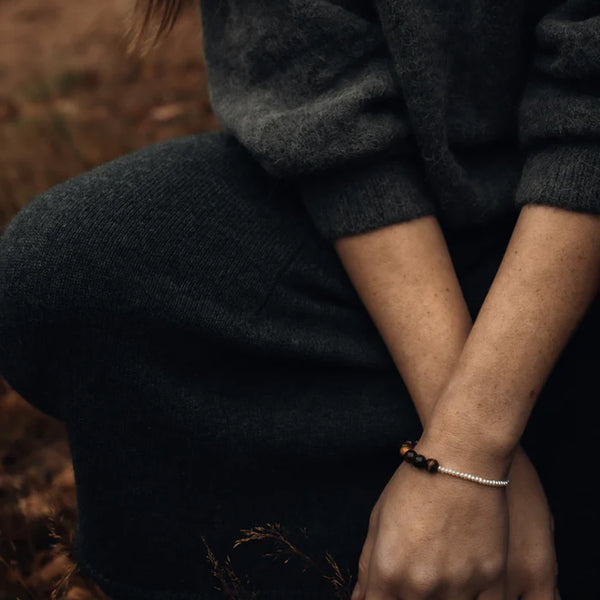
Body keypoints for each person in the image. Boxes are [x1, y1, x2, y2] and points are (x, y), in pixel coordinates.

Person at [1, 0, 599, 598]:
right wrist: (468, 464)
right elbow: (331, 113)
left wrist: (474, 449)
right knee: (73, 269)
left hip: (575, 251)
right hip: (395, 249)